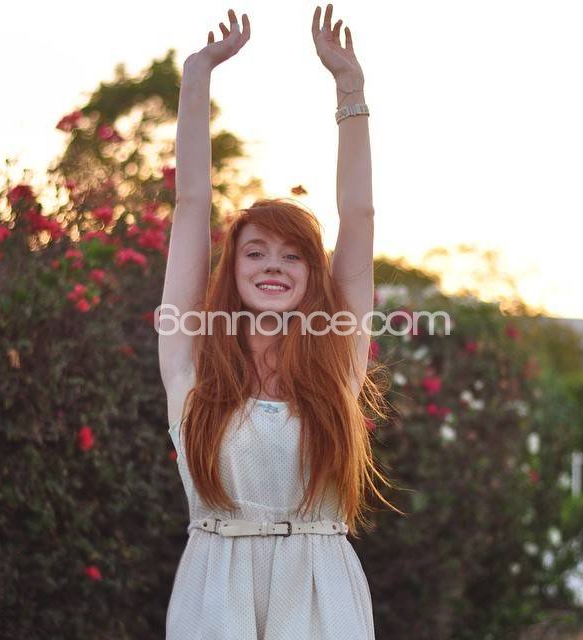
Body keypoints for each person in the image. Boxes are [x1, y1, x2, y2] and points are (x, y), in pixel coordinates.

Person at [159, 5, 404, 639]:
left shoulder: (336, 360)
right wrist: (197, 75)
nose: (274, 265)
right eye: (257, 252)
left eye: (293, 255)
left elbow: (359, 216)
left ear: (312, 275)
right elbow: (189, 205)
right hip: (215, 595)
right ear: (233, 269)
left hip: (321, 595)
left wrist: (350, 90)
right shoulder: (192, 362)